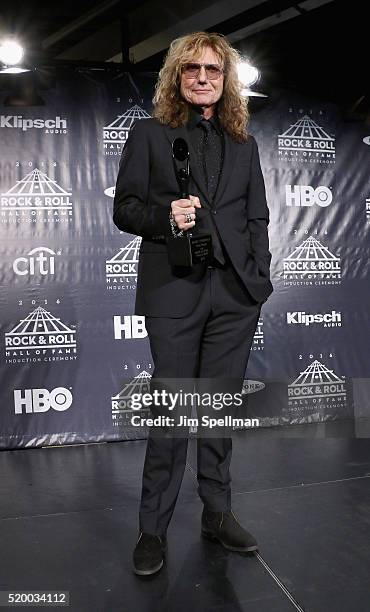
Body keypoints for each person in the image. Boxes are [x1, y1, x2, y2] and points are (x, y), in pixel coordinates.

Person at [113, 31, 273, 576]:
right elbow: (126, 209)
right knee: (174, 411)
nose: (203, 77)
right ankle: (152, 529)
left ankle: (217, 513)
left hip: (234, 295)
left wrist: (259, 279)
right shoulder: (151, 134)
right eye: (192, 70)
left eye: (212, 70)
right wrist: (166, 218)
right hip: (174, 291)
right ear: (176, 78)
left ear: (225, 79)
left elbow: (257, 217)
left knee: (219, 410)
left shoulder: (245, 144)